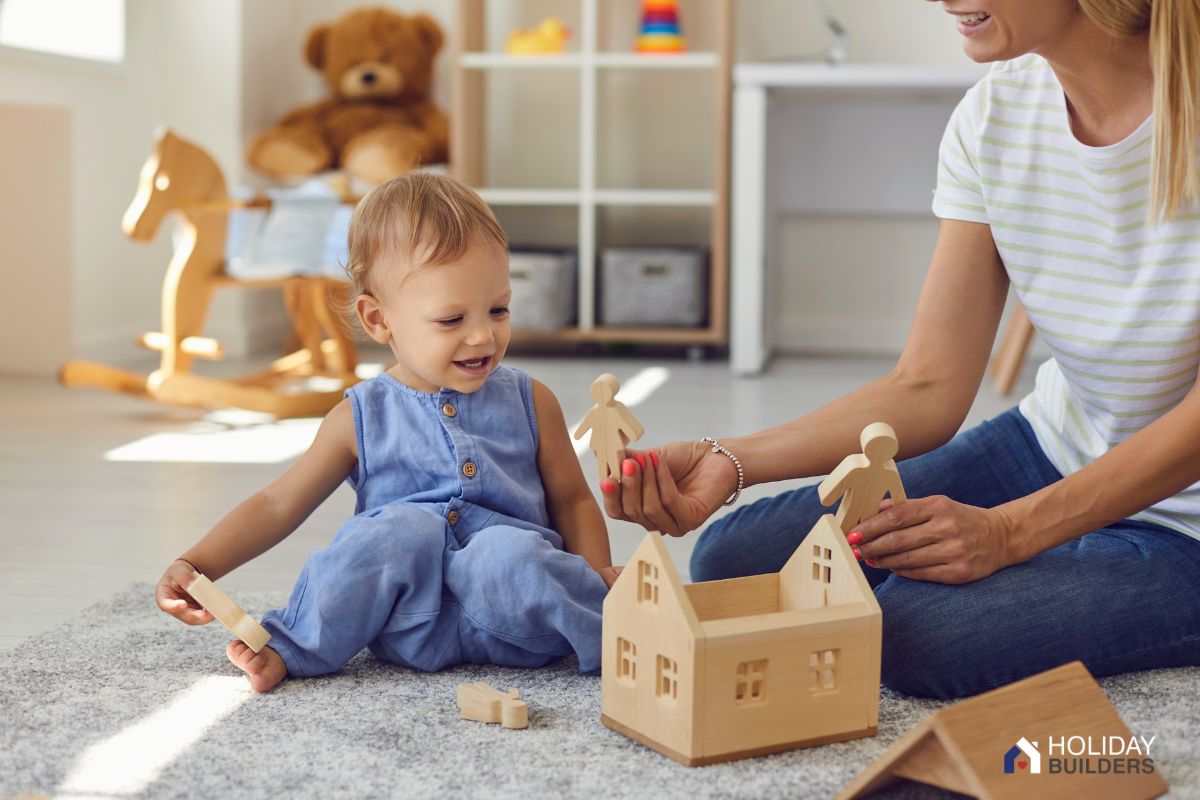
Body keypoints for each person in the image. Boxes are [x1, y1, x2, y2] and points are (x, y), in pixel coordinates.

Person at [602, 0, 1200, 700]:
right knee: (737, 560)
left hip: (1188, 522)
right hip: (1055, 447)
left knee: (914, 634)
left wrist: (1009, 535)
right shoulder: (993, 118)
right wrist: (730, 460)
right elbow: (927, 383)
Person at [155, 173, 617, 692]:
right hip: (406, 623)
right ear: (379, 320)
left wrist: (596, 574)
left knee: (507, 550)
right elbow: (277, 504)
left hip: (518, 617)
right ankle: (293, 647)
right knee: (394, 532)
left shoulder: (532, 401)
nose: (483, 334)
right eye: (451, 319)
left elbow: (573, 500)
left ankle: (617, 635)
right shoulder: (360, 416)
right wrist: (198, 564)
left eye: (498, 309)